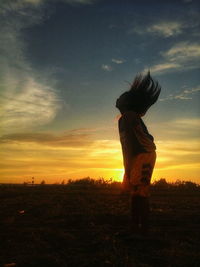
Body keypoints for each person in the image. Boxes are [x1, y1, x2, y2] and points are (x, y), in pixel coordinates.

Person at [116, 71, 161, 236]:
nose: (117, 99)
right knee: (136, 192)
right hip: (140, 154)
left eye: (122, 97)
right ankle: (136, 229)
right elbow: (130, 144)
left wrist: (127, 168)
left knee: (140, 192)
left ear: (128, 102)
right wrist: (127, 167)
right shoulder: (127, 117)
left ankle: (142, 231)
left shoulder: (128, 117)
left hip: (142, 154)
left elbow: (131, 145)